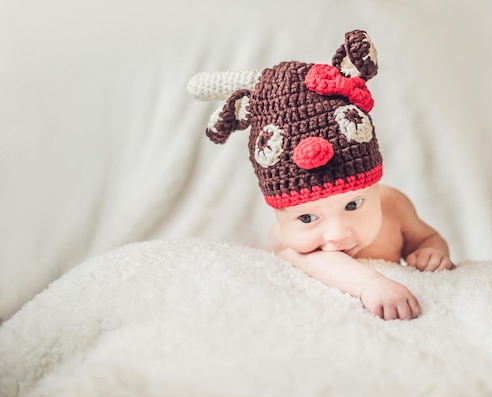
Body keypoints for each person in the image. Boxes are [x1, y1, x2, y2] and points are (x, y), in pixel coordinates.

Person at [188, 29, 454, 320]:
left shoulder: (394, 206)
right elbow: (317, 263)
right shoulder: (288, 240)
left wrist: (431, 251)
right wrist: (371, 284)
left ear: (375, 184)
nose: (337, 234)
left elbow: (427, 237)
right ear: (278, 213)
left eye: (353, 205)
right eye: (306, 218)